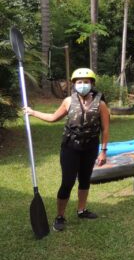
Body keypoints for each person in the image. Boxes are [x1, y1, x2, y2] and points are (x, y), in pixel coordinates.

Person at [25, 68, 110, 231]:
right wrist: (33, 112)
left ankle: (81, 210)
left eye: (86, 82)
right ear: (74, 84)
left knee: (85, 180)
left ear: (92, 84)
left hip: (90, 147)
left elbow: (105, 129)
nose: (83, 84)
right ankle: (60, 216)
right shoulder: (68, 101)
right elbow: (52, 118)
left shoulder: (101, 104)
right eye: (79, 82)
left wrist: (103, 151)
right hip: (70, 147)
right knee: (67, 182)